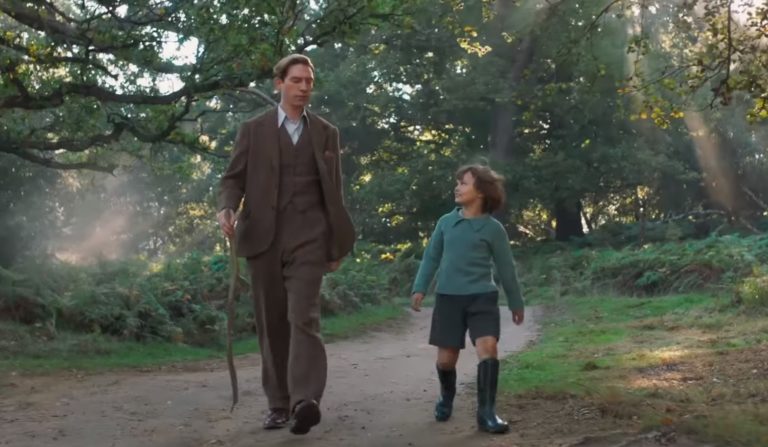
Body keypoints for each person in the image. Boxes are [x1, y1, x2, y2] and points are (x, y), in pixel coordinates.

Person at [217, 53, 355, 435]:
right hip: (263, 238)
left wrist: (335, 245)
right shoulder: (253, 130)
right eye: (296, 80)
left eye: (309, 81)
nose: (304, 87)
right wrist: (227, 208)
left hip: (310, 237)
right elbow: (233, 178)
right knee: (272, 323)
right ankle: (278, 404)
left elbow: (334, 191)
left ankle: (305, 401)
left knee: (303, 316)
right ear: (279, 84)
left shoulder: (326, 132)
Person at [410, 164, 525, 434]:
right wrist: (420, 287)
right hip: (448, 298)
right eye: (457, 183)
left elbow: (506, 269)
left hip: (482, 298)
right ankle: (447, 395)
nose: (457, 188)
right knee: (446, 361)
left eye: (464, 183)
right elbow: (431, 257)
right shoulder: (446, 222)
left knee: (488, 348)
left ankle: (487, 414)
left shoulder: (493, 229)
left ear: (481, 191)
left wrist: (516, 302)